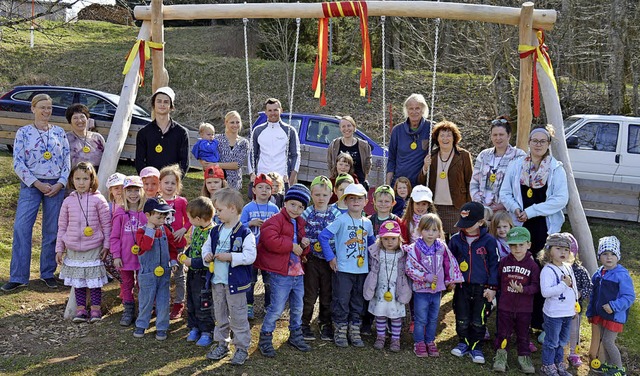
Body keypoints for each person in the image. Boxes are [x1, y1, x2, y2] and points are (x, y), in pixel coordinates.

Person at [499, 124, 569, 330]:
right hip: (520, 224)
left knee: (540, 270)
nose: (538, 144)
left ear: (548, 144)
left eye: (542, 141)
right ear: (528, 143)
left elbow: (560, 199)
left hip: (543, 227)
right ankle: (514, 316)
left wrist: (531, 211)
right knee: (518, 269)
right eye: (534, 140)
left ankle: (537, 319)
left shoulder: (556, 169)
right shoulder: (516, 165)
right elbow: (505, 193)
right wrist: (516, 208)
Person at [2, 94, 71, 292]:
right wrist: (37, 183)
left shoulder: (59, 132)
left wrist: (60, 183)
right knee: (21, 228)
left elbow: (67, 160)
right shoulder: (24, 133)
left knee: (51, 231)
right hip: (31, 186)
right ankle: (18, 276)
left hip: (55, 187)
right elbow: (17, 162)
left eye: (49, 107)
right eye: (42, 107)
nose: (46, 111)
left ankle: (47, 273)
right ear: (33, 109)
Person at [256, 184, 312, 357]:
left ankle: (295, 334)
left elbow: (301, 249)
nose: (296, 209)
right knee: (277, 307)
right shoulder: (275, 220)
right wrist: (291, 246)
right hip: (281, 273)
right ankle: (265, 337)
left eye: (301, 207)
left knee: (298, 306)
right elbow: (269, 239)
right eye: (293, 204)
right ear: (285, 203)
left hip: (297, 273)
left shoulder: (300, 222)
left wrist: (305, 245)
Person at [203, 189, 256, 366]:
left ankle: (241, 348)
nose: (216, 213)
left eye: (219, 210)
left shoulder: (245, 233)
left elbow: (250, 256)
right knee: (220, 315)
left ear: (232, 209)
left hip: (235, 285)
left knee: (239, 316)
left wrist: (231, 256)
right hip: (217, 282)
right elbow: (206, 248)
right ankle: (222, 344)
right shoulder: (215, 231)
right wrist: (207, 256)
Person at [318, 183, 376, 348]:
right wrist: (331, 257)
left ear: (366, 201)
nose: (356, 202)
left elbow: (371, 243)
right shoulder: (341, 220)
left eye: (359, 199)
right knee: (342, 300)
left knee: (358, 300)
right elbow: (323, 236)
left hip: (362, 269)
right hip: (343, 269)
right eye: (352, 198)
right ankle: (340, 330)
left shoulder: (368, 223)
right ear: (346, 201)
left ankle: (354, 330)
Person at [55, 162, 111, 322]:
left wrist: (106, 245)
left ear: (92, 180)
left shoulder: (99, 200)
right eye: (77, 178)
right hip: (73, 249)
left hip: (94, 247)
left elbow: (107, 225)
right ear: (72, 180)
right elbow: (62, 226)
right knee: (79, 282)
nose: (81, 182)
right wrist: (59, 248)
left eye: (85, 178)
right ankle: (81, 310)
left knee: (94, 282)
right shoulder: (67, 201)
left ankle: (95, 310)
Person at [405, 213, 463, 357]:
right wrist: (425, 277)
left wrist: (450, 280)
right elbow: (409, 268)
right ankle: (419, 342)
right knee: (420, 318)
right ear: (420, 230)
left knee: (432, 317)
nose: (430, 233)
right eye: (427, 229)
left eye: (434, 230)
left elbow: (449, 263)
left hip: (437, 291)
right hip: (421, 290)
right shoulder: (415, 248)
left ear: (439, 231)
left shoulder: (442, 247)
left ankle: (430, 341)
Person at [449, 201, 499, 365]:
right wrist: (451, 280)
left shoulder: (489, 241)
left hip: (482, 288)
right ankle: (463, 342)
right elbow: (449, 262)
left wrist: (492, 287)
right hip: (462, 286)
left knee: (479, 319)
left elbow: (494, 265)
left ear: (480, 222)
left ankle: (476, 346)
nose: (465, 227)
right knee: (461, 316)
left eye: (469, 224)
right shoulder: (456, 240)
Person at [492, 227, 540, 374]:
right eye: (513, 245)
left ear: (528, 245)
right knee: (503, 332)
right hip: (505, 305)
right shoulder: (504, 262)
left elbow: (536, 287)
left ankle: (524, 357)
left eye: (521, 244)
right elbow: (498, 281)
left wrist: (523, 290)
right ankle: (501, 356)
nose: (517, 248)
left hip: (524, 308)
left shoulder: (532, 265)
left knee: (523, 334)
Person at [587, 236, 636, 376]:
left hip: (614, 315)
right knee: (603, 340)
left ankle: (619, 368)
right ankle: (608, 366)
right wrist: (591, 312)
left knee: (608, 341)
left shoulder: (621, 275)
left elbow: (629, 297)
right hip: (601, 314)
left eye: (613, 254)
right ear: (599, 256)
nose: (609, 257)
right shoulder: (598, 274)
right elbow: (593, 295)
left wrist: (614, 306)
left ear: (618, 256)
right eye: (605, 254)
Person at [301, 176, 342, 341]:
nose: (321, 198)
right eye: (317, 195)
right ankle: (304, 323)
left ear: (331, 194)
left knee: (327, 293)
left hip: (329, 260)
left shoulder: (336, 213)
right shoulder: (307, 212)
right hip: (311, 259)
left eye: (325, 195)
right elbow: (299, 229)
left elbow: (342, 232)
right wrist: (301, 242)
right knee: (310, 293)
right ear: (312, 194)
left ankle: (325, 322)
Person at [133, 197, 179, 340]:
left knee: (163, 300)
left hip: (164, 272)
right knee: (146, 300)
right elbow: (146, 246)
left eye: (164, 216)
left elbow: (172, 248)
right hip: (147, 273)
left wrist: (173, 261)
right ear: (148, 216)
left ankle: (162, 327)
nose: (162, 219)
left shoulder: (166, 230)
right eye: (159, 216)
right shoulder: (141, 231)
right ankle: (141, 324)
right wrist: (150, 230)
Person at [417, 120, 473, 238]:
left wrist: (469, 206)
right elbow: (422, 182)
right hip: (436, 207)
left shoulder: (463, 155)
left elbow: (470, 181)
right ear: (437, 139)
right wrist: (425, 167)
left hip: (456, 207)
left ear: (454, 138)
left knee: (456, 240)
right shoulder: (431, 155)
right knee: (437, 240)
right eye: (442, 135)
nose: (445, 138)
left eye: (448, 135)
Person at [364, 220, 411, 352]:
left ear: (399, 239)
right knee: (380, 315)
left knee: (395, 316)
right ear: (380, 240)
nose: (389, 242)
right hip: (380, 289)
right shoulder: (376, 253)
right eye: (386, 239)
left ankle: (395, 339)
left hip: (396, 290)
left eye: (393, 239)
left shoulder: (403, 254)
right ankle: (380, 337)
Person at [538, 233, 578, 376]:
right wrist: (562, 285)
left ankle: (558, 363)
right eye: (558, 248)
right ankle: (547, 365)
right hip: (554, 313)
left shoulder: (568, 267)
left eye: (566, 249)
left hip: (567, 312)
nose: (563, 252)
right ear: (549, 251)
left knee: (562, 341)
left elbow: (573, 287)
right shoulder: (547, 270)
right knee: (551, 341)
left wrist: (575, 305)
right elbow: (545, 292)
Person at [241, 173, 279, 319]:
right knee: (250, 280)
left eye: (267, 188)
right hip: (251, 250)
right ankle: (248, 306)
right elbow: (239, 227)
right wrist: (250, 223)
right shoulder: (248, 208)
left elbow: (279, 227)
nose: (264, 190)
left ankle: (268, 306)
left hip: (268, 252)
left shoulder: (275, 209)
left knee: (269, 281)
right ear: (254, 190)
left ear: (272, 191)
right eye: (260, 187)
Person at [110, 175, 146, 326]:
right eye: (129, 190)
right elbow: (114, 237)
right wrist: (116, 255)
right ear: (124, 193)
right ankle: (128, 309)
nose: (133, 194)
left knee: (142, 283)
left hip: (143, 257)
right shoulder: (119, 213)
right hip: (125, 257)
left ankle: (143, 309)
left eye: (136, 190)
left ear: (142, 192)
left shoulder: (146, 213)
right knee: (127, 283)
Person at [470, 117, 526, 212]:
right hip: (483, 210)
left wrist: (504, 205)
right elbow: (474, 183)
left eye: (501, 134)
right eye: (495, 135)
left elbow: (522, 186)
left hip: (507, 211)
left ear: (508, 136)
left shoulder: (519, 156)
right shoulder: (483, 155)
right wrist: (480, 204)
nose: (498, 138)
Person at [182, 197, 216, 347]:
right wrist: (186, 253)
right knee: (191, 301)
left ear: (197, 218)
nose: (188, 220)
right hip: (192, 273)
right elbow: (194, 246)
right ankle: (194, 327)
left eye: (189, 218)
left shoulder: (212, 233)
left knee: (203, 303)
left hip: (203, 275)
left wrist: (192, 262)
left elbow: (209, 257)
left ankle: (206, 331)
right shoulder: (197, 229)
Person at [158, 164, 191, 319]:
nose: (169, 186)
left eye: (173, 183)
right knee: (162, 274)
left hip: (177, 246)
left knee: (178, 275)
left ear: (178, 185)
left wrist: (184, 229)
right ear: (160, 184)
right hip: (161, 246)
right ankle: (161, 302)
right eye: (166, 182)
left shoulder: (181, 202)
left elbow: (191, 219)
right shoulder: (156, 202)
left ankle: (179, 302)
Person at [135, 87, 190, 175]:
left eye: (166, 102)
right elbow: (139, 162)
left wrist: (174, 181)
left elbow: (184, 162)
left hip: (171, 184)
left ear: (171, 106)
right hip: (150, 183)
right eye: (159, 101)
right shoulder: (144, 133)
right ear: (154, 104)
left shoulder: (181, 133)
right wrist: (147, 180)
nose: (162, 104)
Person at [249, 98, 300, 189]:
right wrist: (252, 174)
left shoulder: (290, 131)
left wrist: (291, 179)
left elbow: (296, 155)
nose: (273, 113)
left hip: (282, 178)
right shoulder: (257, 130)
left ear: (281, 110)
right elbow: (252, 154)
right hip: (262, 176)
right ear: (265, 112)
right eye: (270, 110)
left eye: (275, 110)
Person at [386, 93, 432, 187]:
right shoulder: (397, 130)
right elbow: (391, 159)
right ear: (406, 110)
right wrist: (388, 184)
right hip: (399, 184)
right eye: (411, 108)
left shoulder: (431, 128)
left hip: (420, 184)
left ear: (423, 110)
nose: (414, 111)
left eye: (417, 108)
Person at [565, 233, 592, 368]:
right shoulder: (554, 268)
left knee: (574, 331)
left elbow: (588, 287)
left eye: (568, 251)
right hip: (558, 308)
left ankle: (574, 354)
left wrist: (580, 293)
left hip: (575, 309)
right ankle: (560, 353)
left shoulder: (580, 270)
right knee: (559, 330)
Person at [327, 116, 372, 190]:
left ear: (354, 127)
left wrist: (365, 181)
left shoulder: (364, 146)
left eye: (349, 126)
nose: (346, 129)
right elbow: (330, 163)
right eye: (343, 126)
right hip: (339, 183)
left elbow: (368, 165)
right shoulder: (334, 145)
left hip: (358, 183)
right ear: (340, 129)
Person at [215, 111, 249, 191]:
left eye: (237, 122)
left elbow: (237, 164)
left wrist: (216, 165)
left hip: (235, 182)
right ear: (226, 123)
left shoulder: (243, 142)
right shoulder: (217, 139)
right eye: (232, 122)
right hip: (217, 180)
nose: (235, 125)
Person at [65, 103, 105, 170]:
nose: (80, 121)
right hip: (75, 177)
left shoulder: (98, 138)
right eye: (75, 118)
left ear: (87, 119)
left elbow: (106, 160)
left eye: (82, 117)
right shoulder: (66, 139)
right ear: (70, 122)